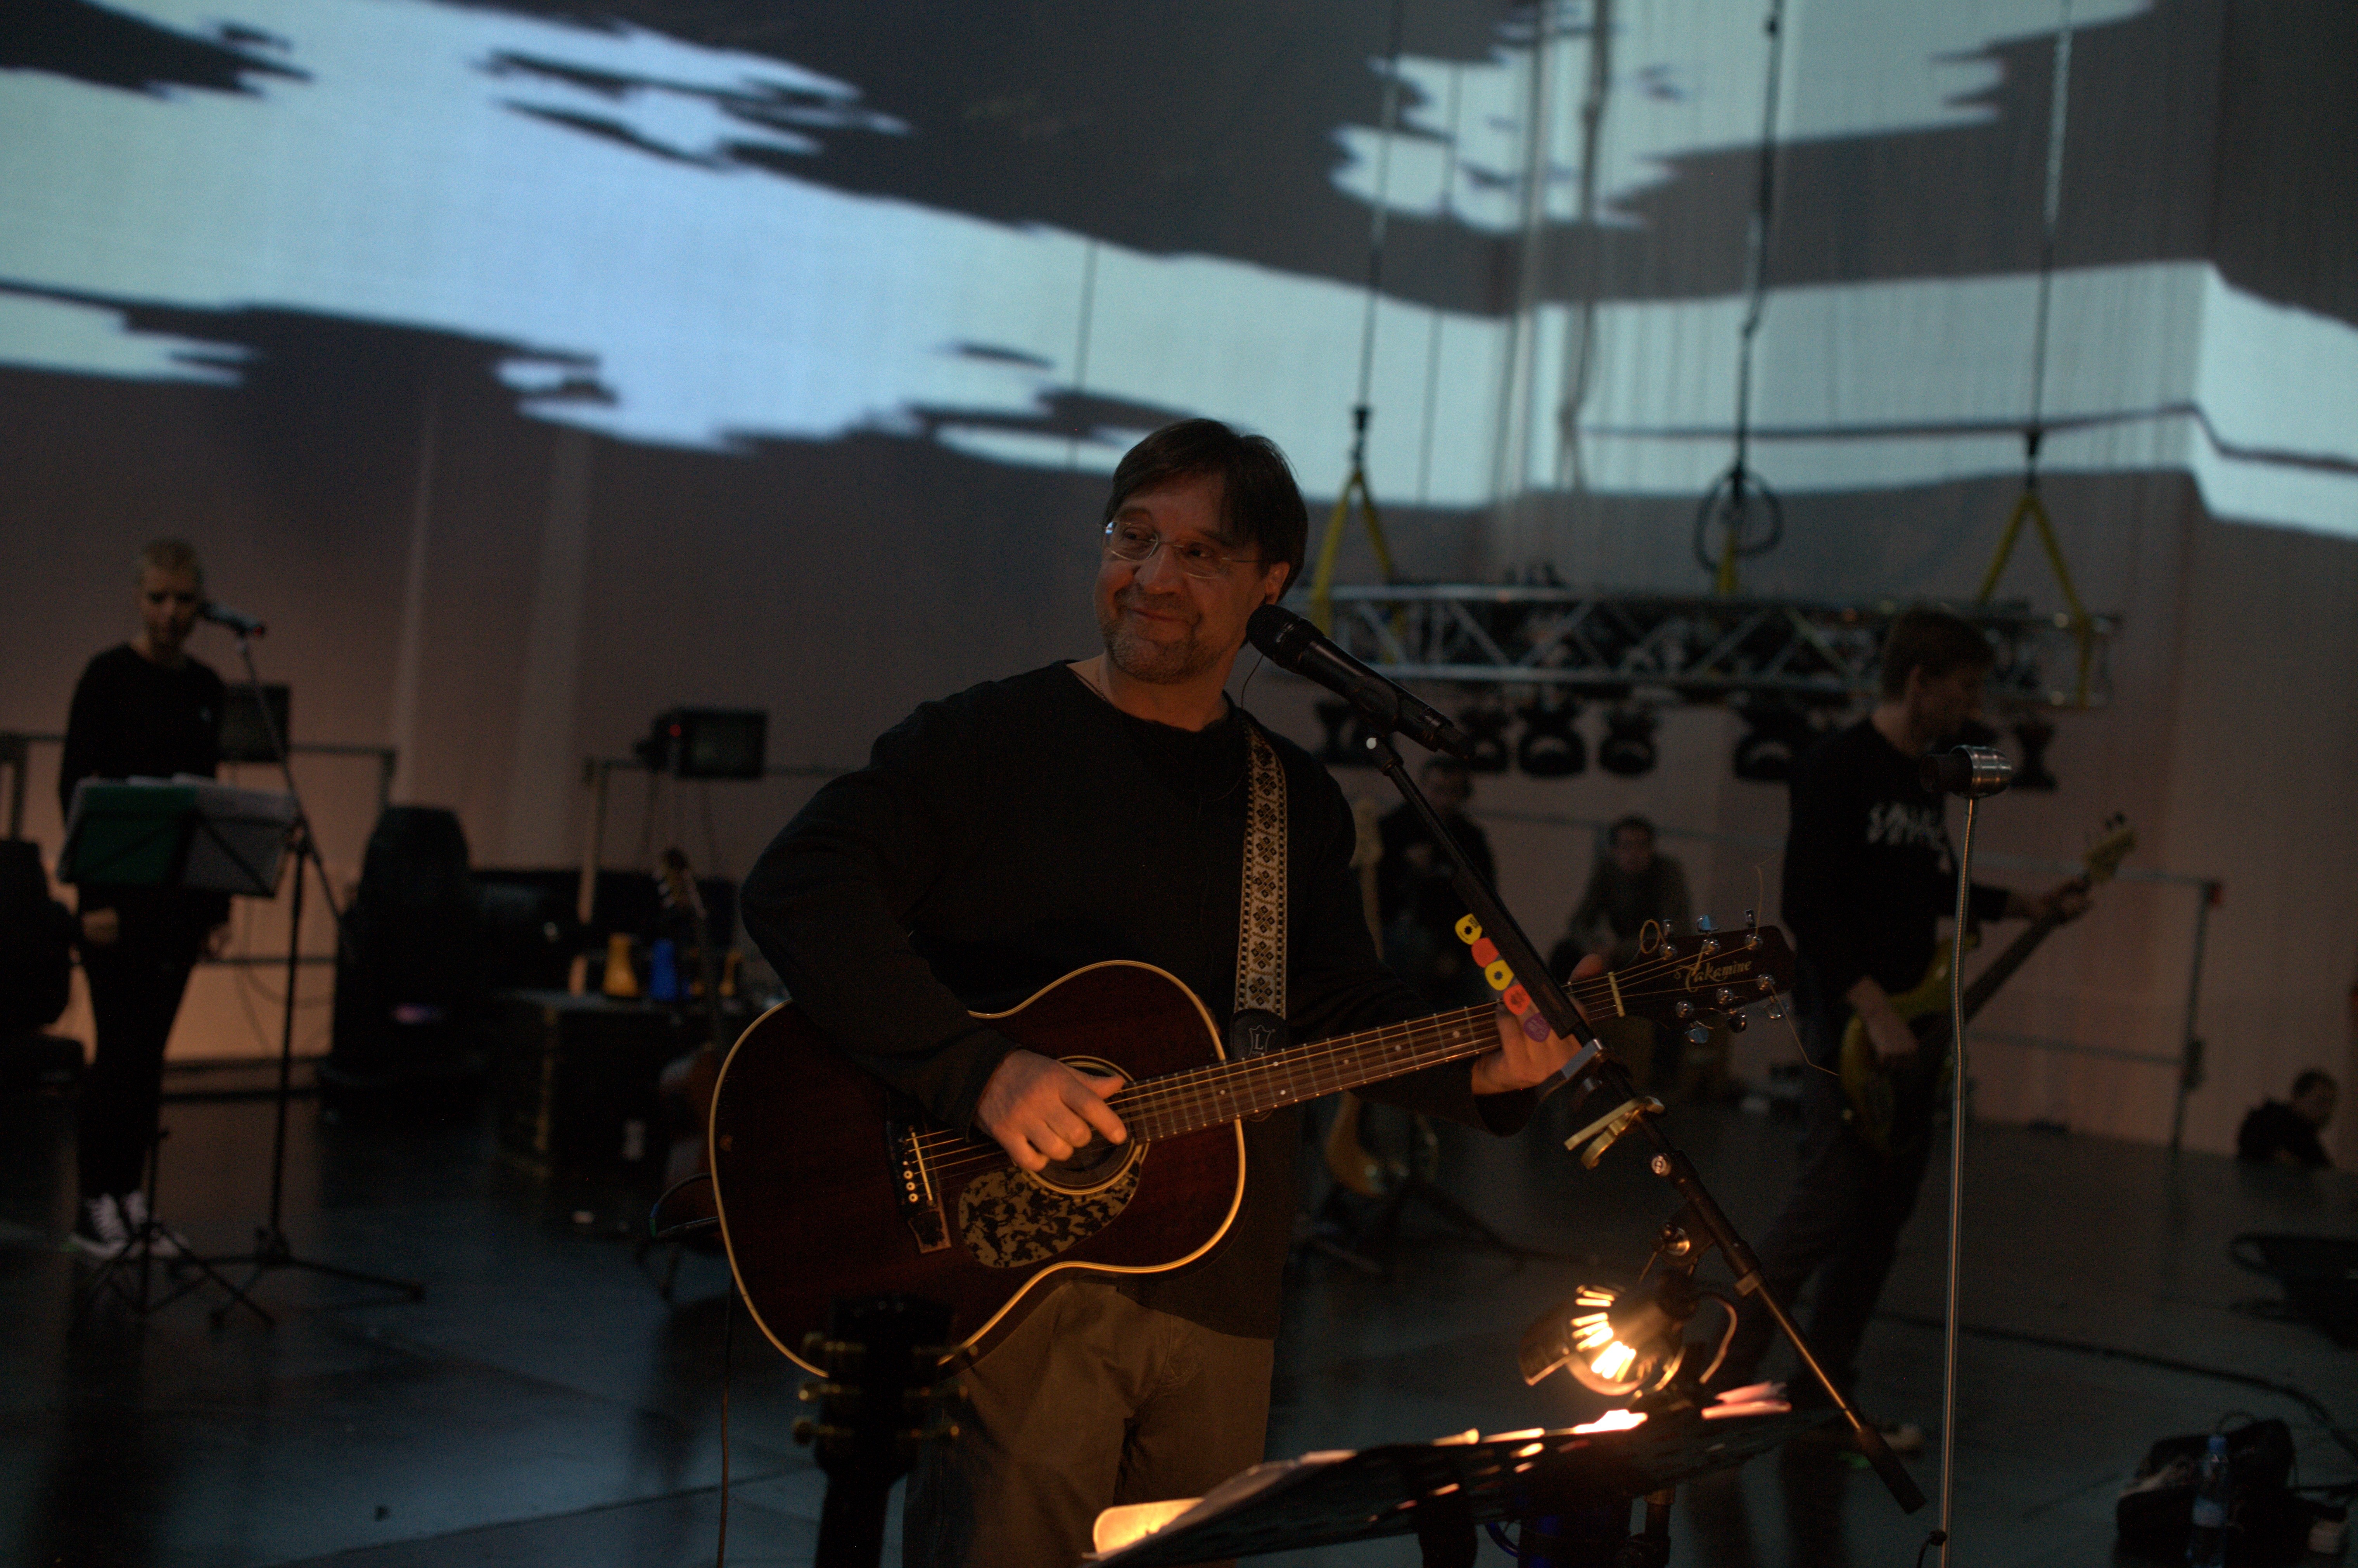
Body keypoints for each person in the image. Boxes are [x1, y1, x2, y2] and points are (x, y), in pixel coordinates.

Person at [738, 419, 1592, 1568]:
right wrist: (975, 1069)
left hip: (1224, 1283)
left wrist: (1484, 1064)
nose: (1150, 577)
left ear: (1269, 585)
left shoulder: (1290, 798)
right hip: (1020, 1280)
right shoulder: (986, 741)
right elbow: (801, 884)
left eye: (1197, 553)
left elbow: (1334, 1009)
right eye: (1131, 537)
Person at [1713, 607, 2087, 1442]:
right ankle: (1710, 1384)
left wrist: (2030, 904)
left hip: (1910, 1026)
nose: (1974, 708)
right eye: (1965, 689)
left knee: (1881, 1215)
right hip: (1849, 1021)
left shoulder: (1925, 778)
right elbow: (1806, 902)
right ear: (1919, 682)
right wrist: (1874, 1009)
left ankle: (1823, 1389)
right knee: (1825, 1203)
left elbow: (1925, 885)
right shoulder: (1835, 764)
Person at [59, 539, 231, 1260]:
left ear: (199, 604)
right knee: (119, 1050)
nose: (170, 613)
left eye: (184, 600)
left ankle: (132, 1196)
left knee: (149, 1054)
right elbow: (76, 787)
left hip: (177, 902)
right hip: (116, 901)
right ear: (139, 598)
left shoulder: (207, 686)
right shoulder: (107, 676)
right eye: (159, 598)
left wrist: (215, 908)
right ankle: (95, 1202)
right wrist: (92, 897)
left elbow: (209, 799)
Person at [1558, 815, 1696, 1093]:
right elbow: (1579, 922)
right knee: (1562, 955)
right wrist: (1594, 947)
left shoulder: (1667, 873)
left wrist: (1618, 949)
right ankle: (1562, 1038)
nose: (1634, 854)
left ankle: (1664, 1077)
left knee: (1672, 986)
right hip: (1619, 956)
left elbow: (1674, 930)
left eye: (1641, 846)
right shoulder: (1608, 872)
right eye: (1626, 846)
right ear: (1615, 850)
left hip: (1657, 958)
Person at [1374, 756, 1497, 1005]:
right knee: (1415, 948)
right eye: (1437, 790)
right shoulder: (1392, 829)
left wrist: (1457, 952)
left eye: (1452, 792)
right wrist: (1406, 867)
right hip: (1402, 938)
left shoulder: (1469, 839)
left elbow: (1485, 903)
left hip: (1457, 941)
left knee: (1482, 972)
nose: (1443, 800)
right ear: (1421, 788)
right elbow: (1374, 894)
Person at [2236, 1070, 2336, 1169]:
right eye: (2320, 1102)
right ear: (2299, 1097)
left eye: (2330, 1104)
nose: (2327, 1110)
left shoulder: (2308, 1139)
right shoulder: (2265, 1123)